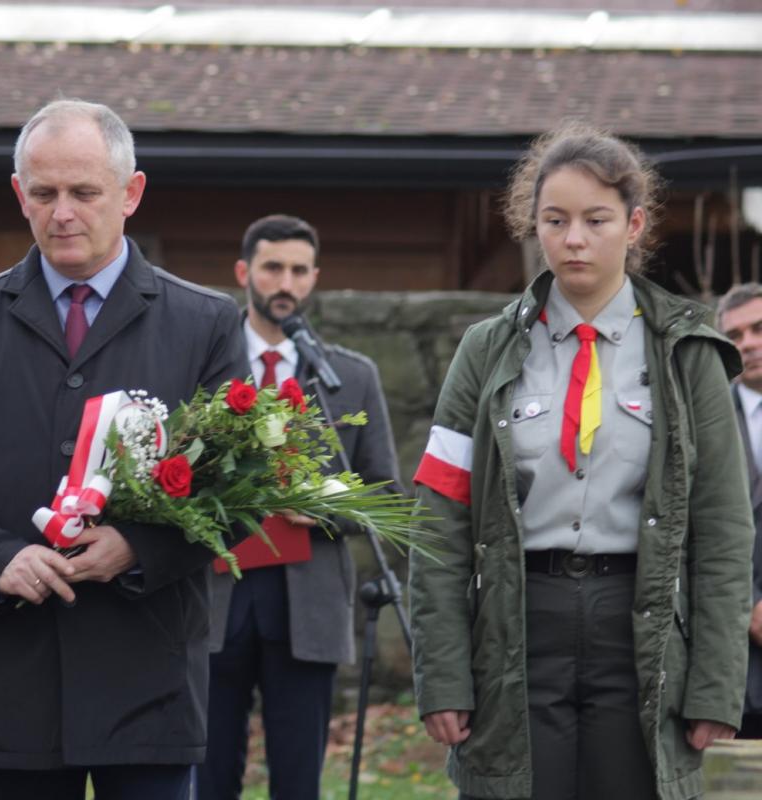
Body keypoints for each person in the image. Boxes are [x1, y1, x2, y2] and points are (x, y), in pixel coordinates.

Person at [0, 99, 245, 800]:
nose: (63, 213)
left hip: (148, 674)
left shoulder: (206, 322)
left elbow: (237, 488)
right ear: (20, 195)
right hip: (13, 673)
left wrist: (138, 548)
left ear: (131, 193)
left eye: (84, 192)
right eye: (44, 194)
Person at [409, 123, 754, 800]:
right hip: (516, 625)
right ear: (532, 226)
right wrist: (442, 675)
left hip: (643, 627)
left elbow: (723, 530)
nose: (574, 239)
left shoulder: (689, 353)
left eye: (596, 220)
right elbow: (438, 521)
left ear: (635, 224)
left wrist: (716, 684)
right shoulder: (484, 350)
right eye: (555, 220)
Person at [196, 214, 401, 800]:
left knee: (298, 780)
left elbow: (384, 491)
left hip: (305, 602)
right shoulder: (204, 366)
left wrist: (327, 509)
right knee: (208, 777)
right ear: (244, 273)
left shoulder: (349, 378)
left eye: (298, 270)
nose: (285, 283)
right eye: (272, 268)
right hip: (216, 598)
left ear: (313, 278)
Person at [716, 283, 762, 740]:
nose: (747, 343)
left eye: (759, 328)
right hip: (736, 662)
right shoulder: (704, 421)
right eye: (735, 335)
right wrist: (748, 604)